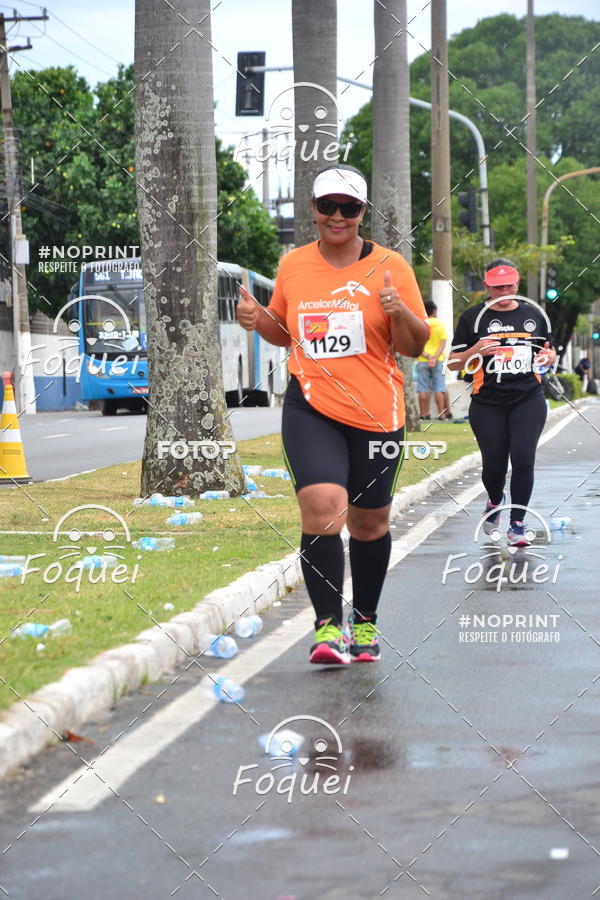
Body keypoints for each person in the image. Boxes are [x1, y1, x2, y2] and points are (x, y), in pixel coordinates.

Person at [236, 164, 429, 665]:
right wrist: (260, 321)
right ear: (314, 210)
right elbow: (285, 330)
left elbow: (414, 345)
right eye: (328, 207)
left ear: (363, 212)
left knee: (369, 523)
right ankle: (327, 628)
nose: (338, 216)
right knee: (323, 506)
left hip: (376, 413)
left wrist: (399, 312)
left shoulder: (392, 268)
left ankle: (364, 623)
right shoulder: (294, 265)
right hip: (312, 404)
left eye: (350, 208)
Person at [447, 258, 556, 546]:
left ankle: (517, 524)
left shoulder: (535, 315)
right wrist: (476, 350)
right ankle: (495, 500)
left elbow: (549, 352)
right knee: (494, 467)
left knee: (523, 459)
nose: (504, 291)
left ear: (517, 284)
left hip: (528, 399)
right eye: (497, 287)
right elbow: (452, 363)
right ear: (487, 287)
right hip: (488, 402)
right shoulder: (473, 318)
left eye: (509, 285)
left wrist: (549, 358)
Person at [416, 300, 448, 420]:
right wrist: (434, 357)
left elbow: (417, 344)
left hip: (423, 359)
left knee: (422, 388)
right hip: (438, 359)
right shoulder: (440, 324)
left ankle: (424, 414)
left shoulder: (421, 324)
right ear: (434, 311)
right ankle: (441, 414)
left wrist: (428, 357)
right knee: (439, 387)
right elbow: (443, 343)